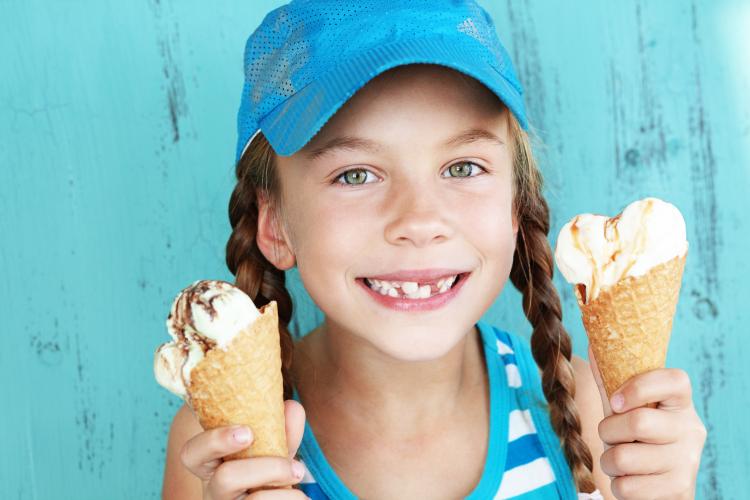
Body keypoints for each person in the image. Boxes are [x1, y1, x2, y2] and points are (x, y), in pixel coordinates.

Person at [161, 1, 707, 498]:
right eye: (355, 174)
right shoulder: (219, 448)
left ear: (516, 205)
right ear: (274, 223)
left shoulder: (591, 408)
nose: (420, 221)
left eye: (463, 168)